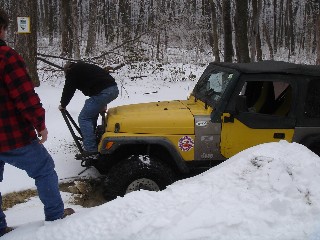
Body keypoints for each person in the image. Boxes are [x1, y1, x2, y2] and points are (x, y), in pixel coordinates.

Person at [0, 9, 74, 236]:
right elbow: (25, 96)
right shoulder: (6, 57)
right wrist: (39, 123)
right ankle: (55, 216)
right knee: (43, 169)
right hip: (12, 136)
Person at [59, 61, 119, 159]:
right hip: (113, 89)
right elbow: (100, 81)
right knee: (91, 113)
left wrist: (63, 104)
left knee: (84, 118)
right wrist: (103, 103)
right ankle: (92, 139)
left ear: (68, 70)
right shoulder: (84, 67)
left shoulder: (73, 71)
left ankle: (91, 150)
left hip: (104, 92)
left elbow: (68, 89)